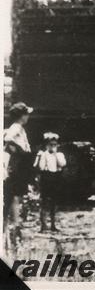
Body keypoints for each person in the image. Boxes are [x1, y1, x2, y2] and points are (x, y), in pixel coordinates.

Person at [3, 102, 34, 246]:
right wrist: (20, 149)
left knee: (17, 196)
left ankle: (14, 227)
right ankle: (14, 227)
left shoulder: (20, 128)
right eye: (26, 113)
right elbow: (8, 139)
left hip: (21, 166)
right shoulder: (16, 127)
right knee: (14, 196)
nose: (28, 116)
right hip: (17, 166)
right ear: (21, 116)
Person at [33, 132, 66, 232]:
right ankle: (43, 225)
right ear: (47, 145)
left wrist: (55, 154)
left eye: (55, 144)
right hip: (46, 178)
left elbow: (62, 164)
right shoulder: (43, 154)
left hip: (56, 177)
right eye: (51, 144)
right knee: (44, 202)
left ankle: (53, 225)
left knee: (54, 202)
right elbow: (41, 167)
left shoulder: (59, 154)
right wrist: (42, 157)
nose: (53, 146)